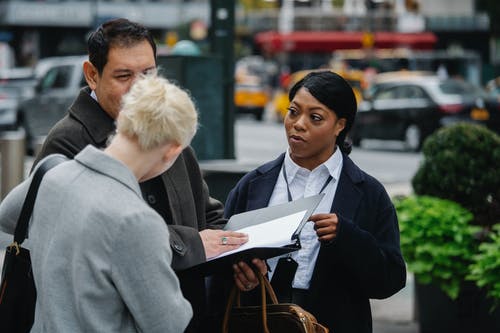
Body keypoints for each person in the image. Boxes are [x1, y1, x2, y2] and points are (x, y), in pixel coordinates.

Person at [31, 18, 265, 332]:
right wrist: (193, 243)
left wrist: (236, 256)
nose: (140, 88)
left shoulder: (167, 129)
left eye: (148, 73)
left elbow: (207, 214)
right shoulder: (66, 141)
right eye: (124, 75)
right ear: (92, 75)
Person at [0, 74, 197, 332]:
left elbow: (6, 216)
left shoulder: (51, 175)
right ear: (173, 149)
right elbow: (168, 323)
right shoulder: (137, 220)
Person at [224, 71, 407, 333]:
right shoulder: (253, 185)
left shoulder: (368, 193)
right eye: (293, 112)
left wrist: (347, 237)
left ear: (340, 125)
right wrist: (242, 274)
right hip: (260, 322)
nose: (298, 124)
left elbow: (390, 280)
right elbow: (221, 262)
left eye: (315, 117)